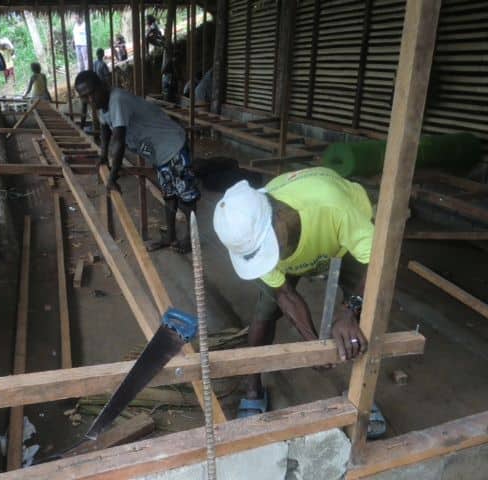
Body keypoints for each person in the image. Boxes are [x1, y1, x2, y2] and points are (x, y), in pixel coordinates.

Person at [213, 167, 386, 438]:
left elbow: (380, 260)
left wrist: (350, 309)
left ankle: (361, 392)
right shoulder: (250, 237)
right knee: (264, 316)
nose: (269, 259)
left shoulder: (332, 206)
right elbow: (285, 296)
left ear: (280, 216)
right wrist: (311, 341)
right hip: (310, 242)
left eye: (270, 248)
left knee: (364, 315)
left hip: (345, 235)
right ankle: (253, 387)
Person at [74, 71, 199, 253]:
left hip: (173, 145)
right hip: (159, 153)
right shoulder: (102, 107)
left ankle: (191, 240)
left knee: (186, 197)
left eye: (92, 93)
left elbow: (118, 139)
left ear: (102, 85)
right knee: (169, 195)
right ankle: (170, 236)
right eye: (84, 97)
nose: (90, 99)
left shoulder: (117, 99)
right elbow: (105, 130)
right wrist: (102, 156)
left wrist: (113, 175)